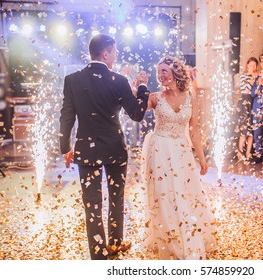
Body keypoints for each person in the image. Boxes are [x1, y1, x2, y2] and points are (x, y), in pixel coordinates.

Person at [59, 34, 149, 260]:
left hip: (86, 151)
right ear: (105, 53)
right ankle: (116, 244)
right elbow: (137, 114)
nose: (116, 57)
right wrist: (143, 88)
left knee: (92, 205)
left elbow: (66, 117)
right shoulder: (119, 81)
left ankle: (98, 254)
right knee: (117, 197)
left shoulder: (72, 80)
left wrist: (65, 148)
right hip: (115, 149)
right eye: (115, 52)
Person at [141, 55, 216, 260]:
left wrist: (202, 158)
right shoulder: (155, 97)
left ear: (175, 72)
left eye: (164, 70)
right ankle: (169, 240)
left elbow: (195, 131)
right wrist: (138, 87)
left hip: (182, 150)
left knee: (184, 193)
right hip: (159, 149)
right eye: (158, 72)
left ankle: (187, 236)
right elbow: (136, 111)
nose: (160, 75)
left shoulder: (190, 98)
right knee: (164, 194)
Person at [236, 57, 258, 162]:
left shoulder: (257, 76)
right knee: (244, 130)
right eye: (251, 65)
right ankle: (240, 153)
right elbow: (247, 88)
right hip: (245, 101)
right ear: (247, 65)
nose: (252, 67)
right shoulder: (243, 76)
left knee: (251, 131)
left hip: (252, 102)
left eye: (254, 65)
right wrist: (253, 79)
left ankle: (248, 153)